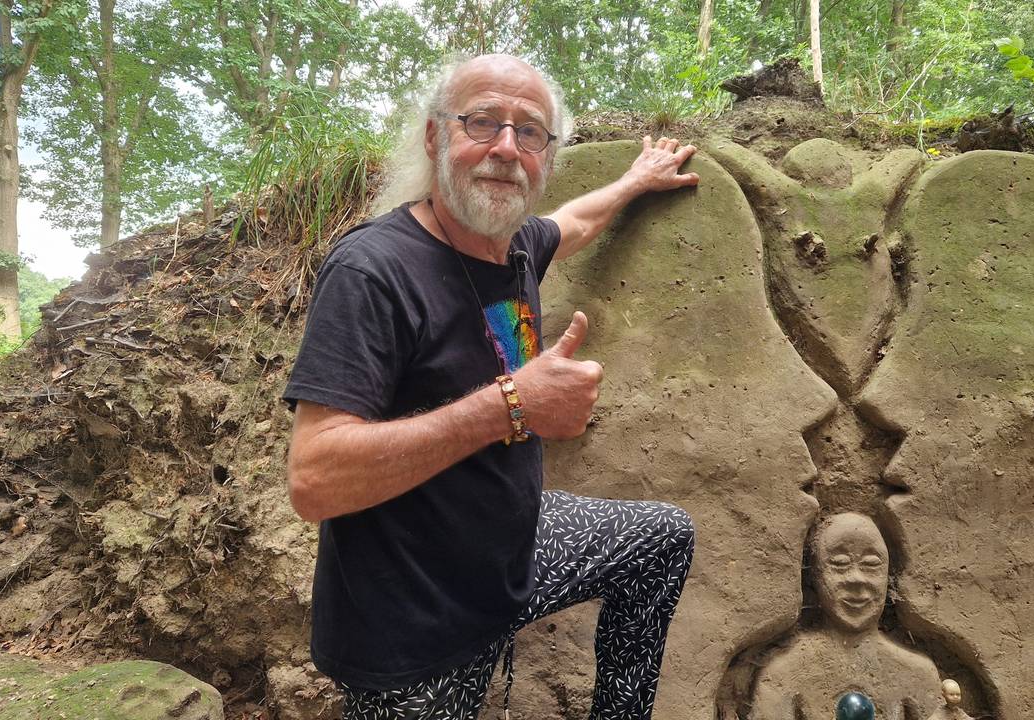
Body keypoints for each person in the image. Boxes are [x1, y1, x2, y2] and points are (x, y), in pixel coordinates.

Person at [282, 53, 700, 720]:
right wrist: (514, 405)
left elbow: (574, 224)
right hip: (414, 628)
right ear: (434, 136)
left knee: (661, 538)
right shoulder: (373, 272)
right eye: (481, 122)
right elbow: (314, 478)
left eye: (529, 131)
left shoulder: (516, 245)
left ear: (546, 156)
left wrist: (635, 181)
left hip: (514, 554)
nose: (506, 147)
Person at [750, 513, 941, 720]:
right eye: (840, 564)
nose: (856, 579)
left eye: (871, 564)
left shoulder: (917, 674)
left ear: (889, 575)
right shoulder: (783, 675)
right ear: (814, 575)